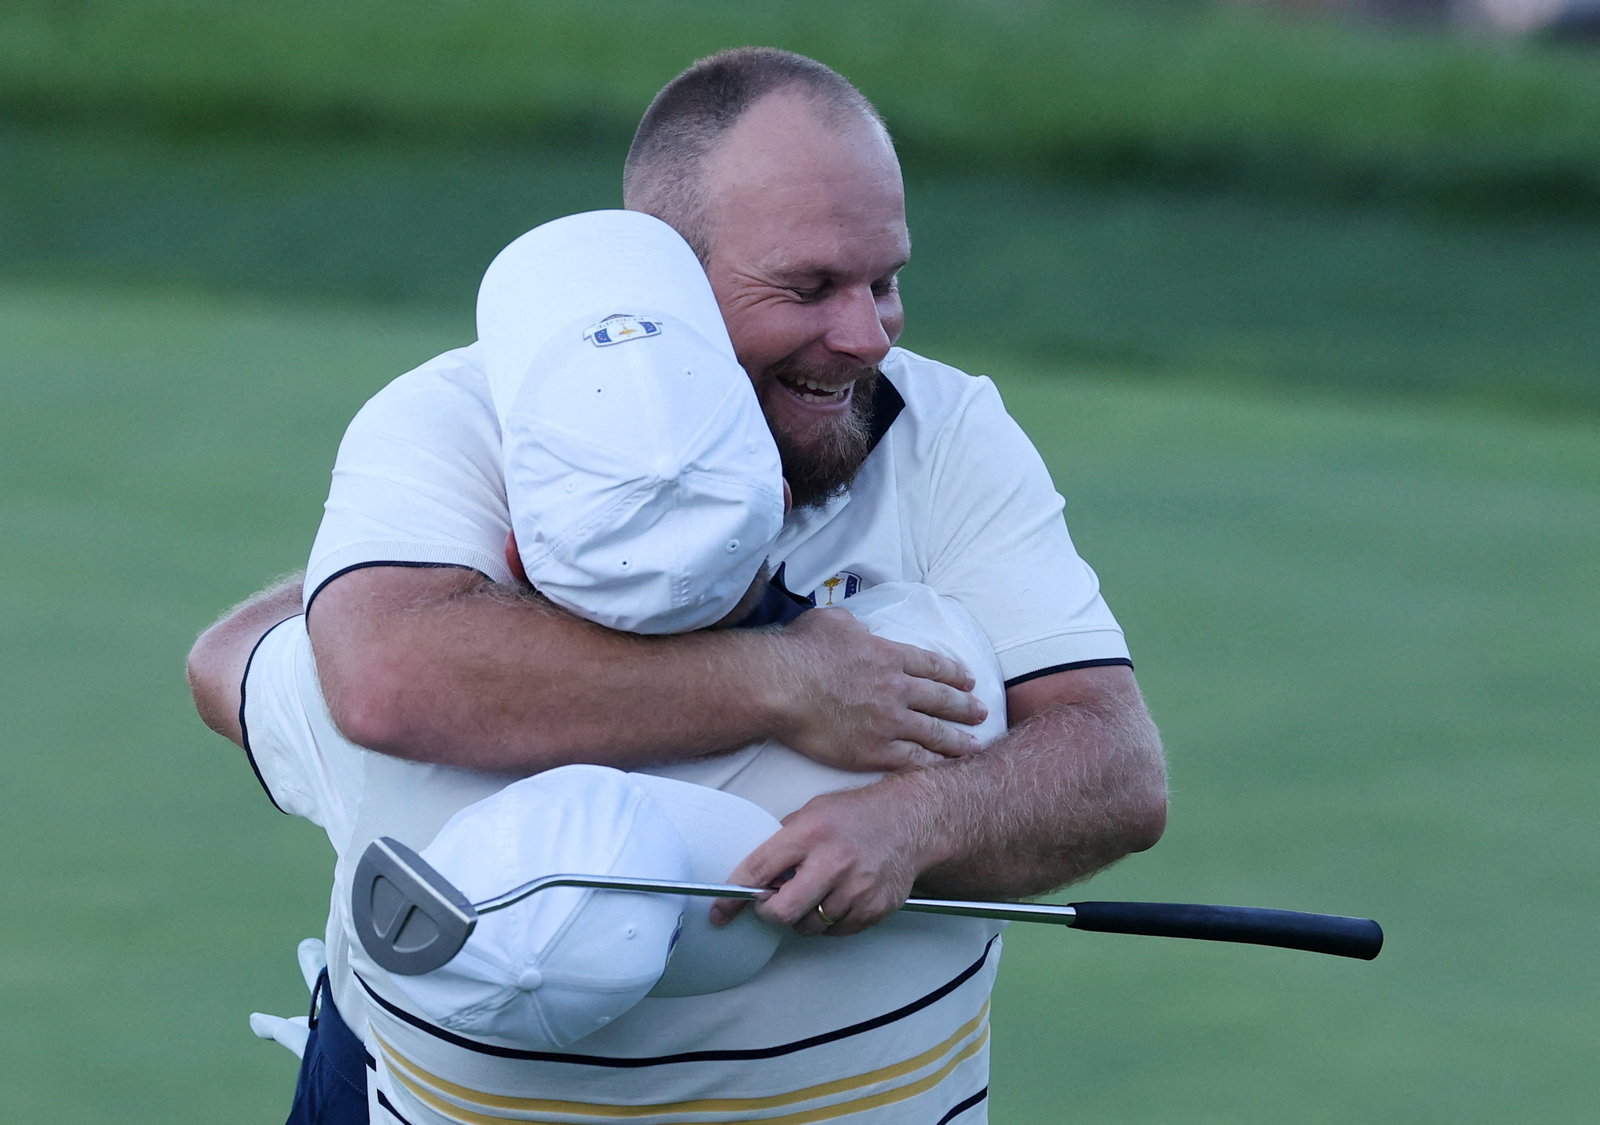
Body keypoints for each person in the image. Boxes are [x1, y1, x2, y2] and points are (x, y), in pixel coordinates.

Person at [190, 46, 1166, 1123]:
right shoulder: (451, 415)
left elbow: (1115, 767)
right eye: (806, 288)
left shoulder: (944, 429)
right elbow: (379, 680)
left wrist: (919, 821)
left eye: (882, 280)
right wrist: (787, 683)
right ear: (660, 281)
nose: (864, 335)